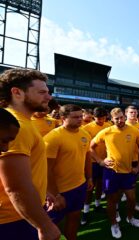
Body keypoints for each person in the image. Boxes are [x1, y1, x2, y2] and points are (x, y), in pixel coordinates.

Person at [0, 68, 60, 240]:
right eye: (42, 92)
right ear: (17, 93)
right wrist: (44, 225)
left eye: (48, 92)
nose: (48, 97)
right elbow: (15, 186)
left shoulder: (24, 122)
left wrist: (42, 192)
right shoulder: (18, 125)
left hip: (22, 213)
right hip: (14, 219)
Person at [90, 108, 139, 239]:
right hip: (111, 172)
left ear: (124, 116)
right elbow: (90, 147)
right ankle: (114, 224)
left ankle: (130, 218)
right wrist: (100, 161)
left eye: (121, 117)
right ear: (112, 119)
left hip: (128, 171)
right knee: (112, 200)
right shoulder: (106, 131)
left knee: (131, 198)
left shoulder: (135, 131)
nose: (120, 120)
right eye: (116, 118)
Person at [44, 104, 93, 240]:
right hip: (59, 191)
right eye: (75, 117)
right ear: (63, 118)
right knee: (51, 227)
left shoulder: (84, 134)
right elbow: (46, 169)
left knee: (74, 219)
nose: (80, 120)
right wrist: (55, 194)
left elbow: (87, 157)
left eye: (80, 116)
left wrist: (89, 177)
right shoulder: (52, 138)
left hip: (79, 186)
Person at [81, 107, 112, 225]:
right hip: (91, 162)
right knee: (90, 187)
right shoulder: (86, 128)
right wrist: (97, 160)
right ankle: (86, 211)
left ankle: (98, 204)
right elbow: (86, 147)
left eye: (104, 117)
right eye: (99, 118)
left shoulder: (108, 125)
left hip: (105, 161)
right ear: (94, 117)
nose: (102, 120)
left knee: (100, 184)